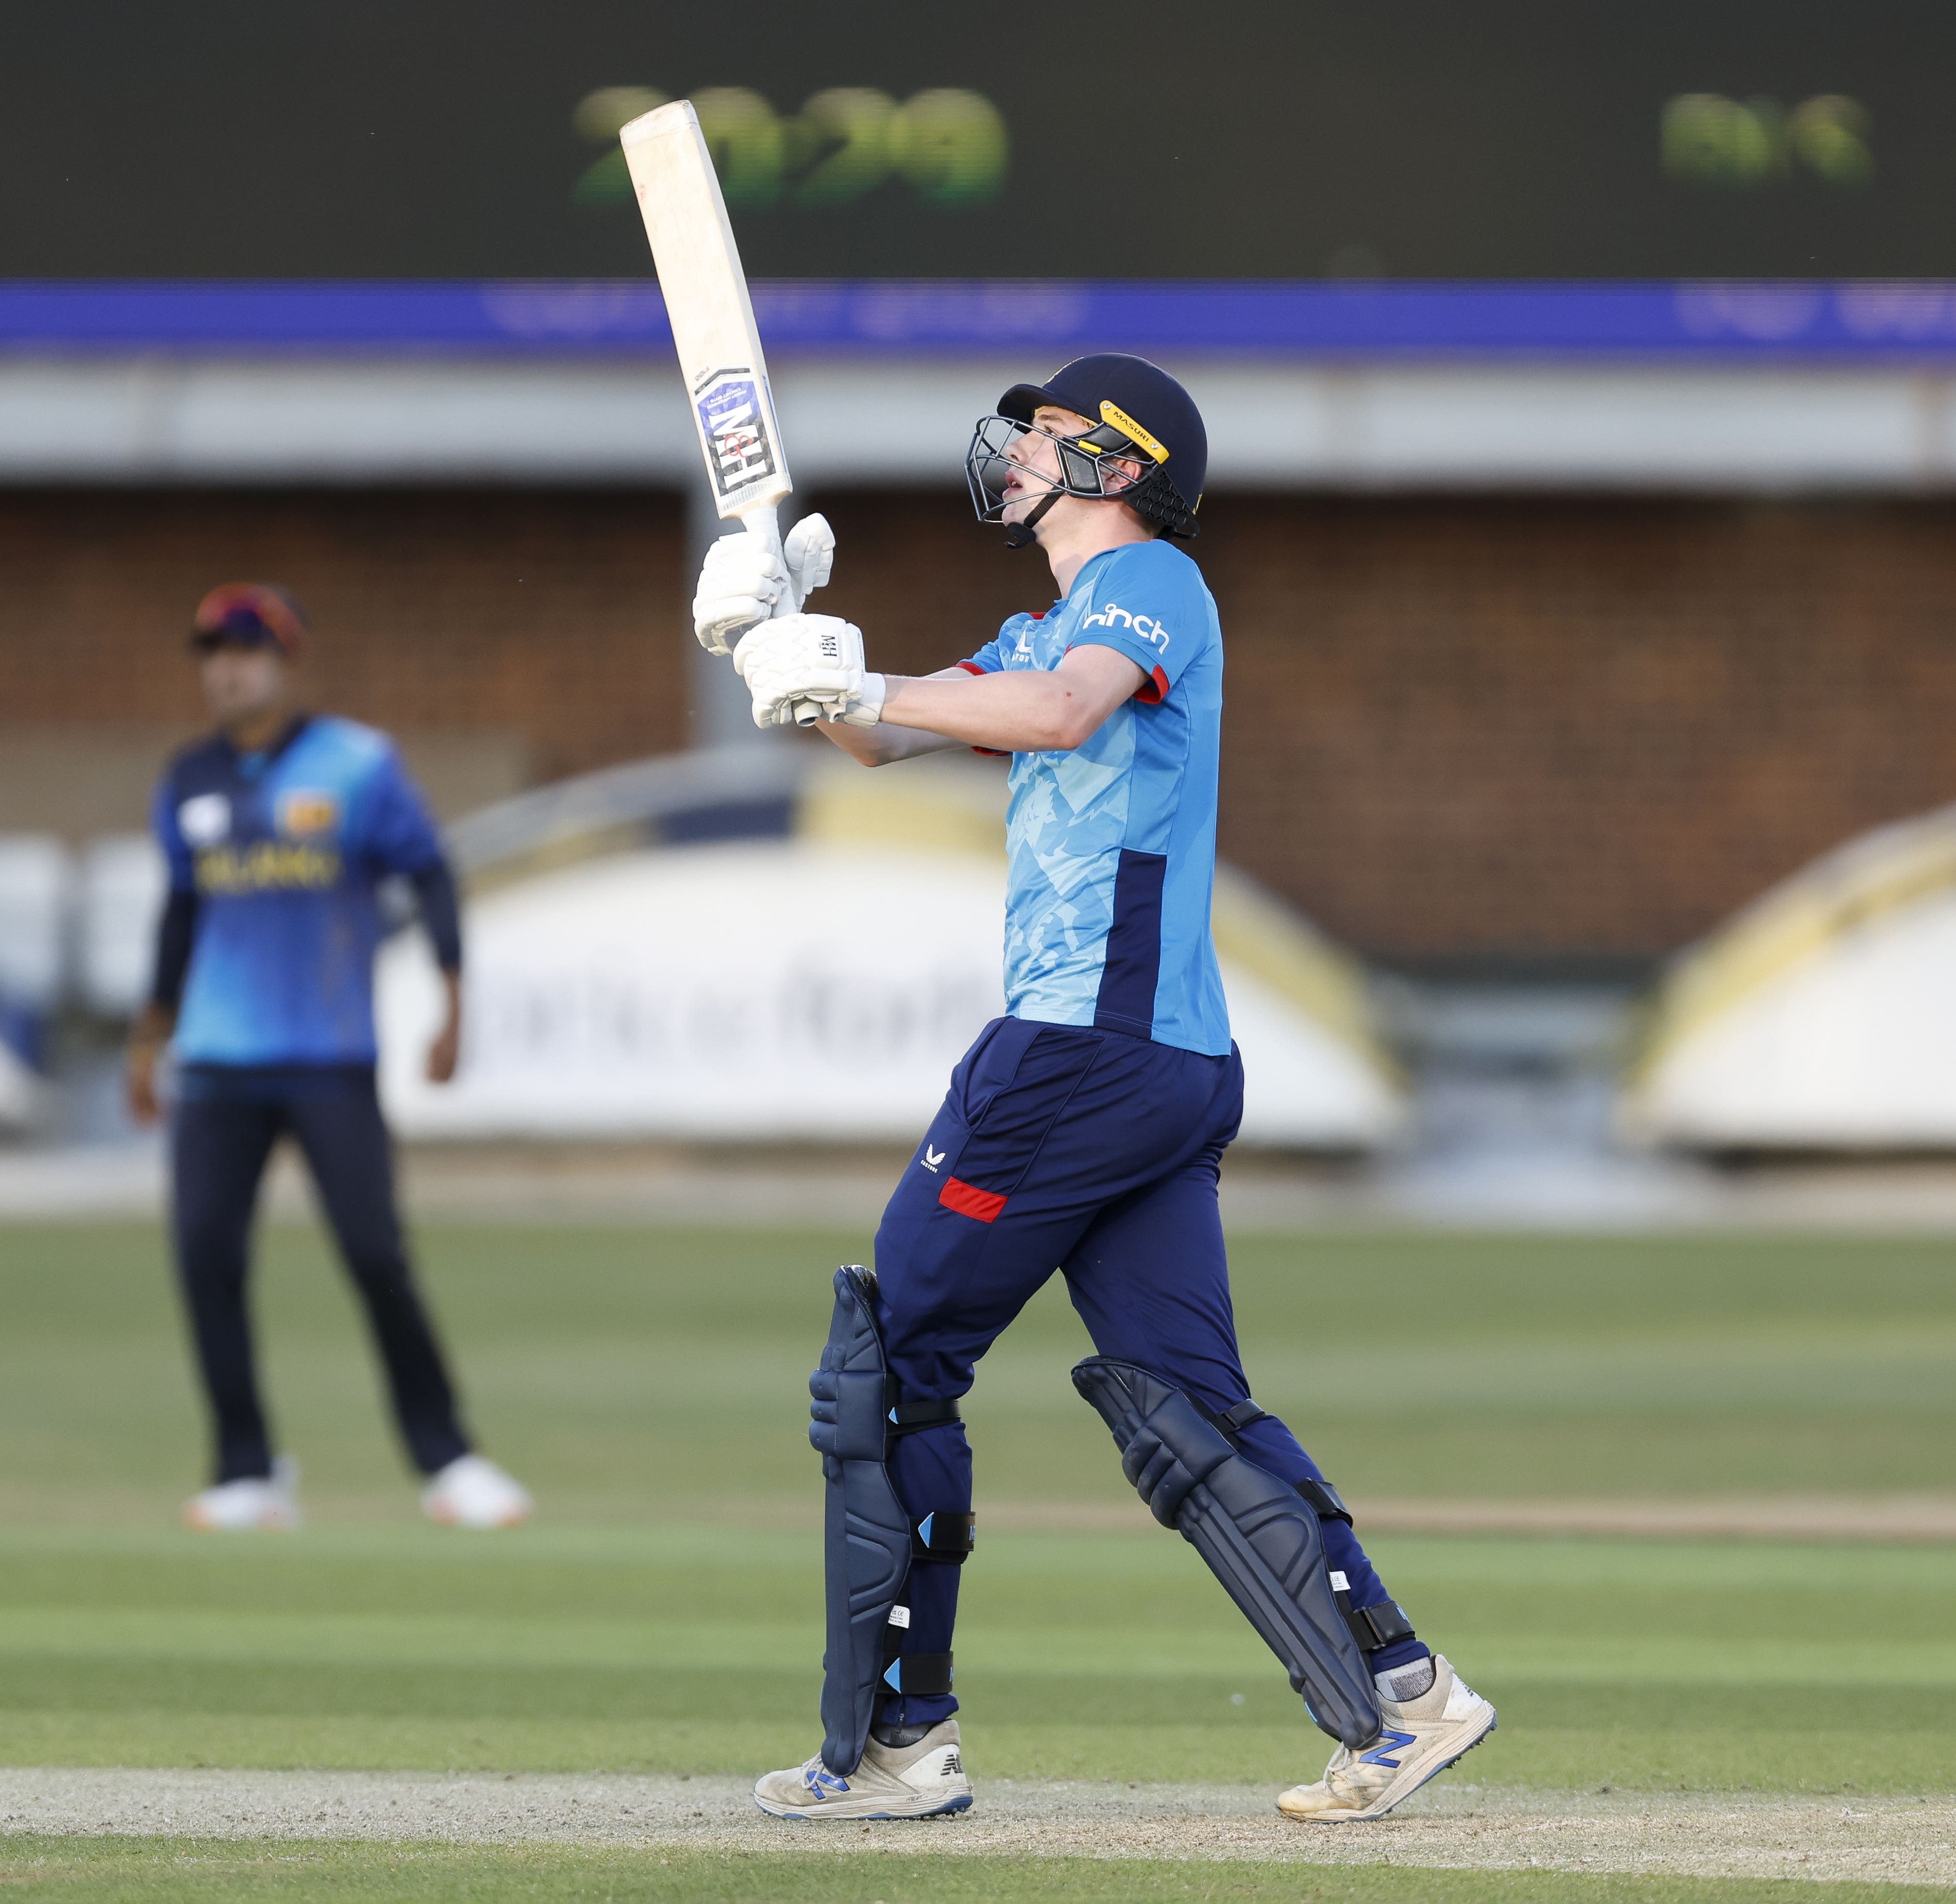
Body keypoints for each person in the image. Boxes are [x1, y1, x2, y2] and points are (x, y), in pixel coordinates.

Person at [702, 357, 1495, 1823]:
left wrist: (855, 672)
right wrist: (777, 636)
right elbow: (885, 731)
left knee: (886, 1373)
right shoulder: (1049, 619)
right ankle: (1403, 1692)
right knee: (1183, 1400)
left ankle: (895, 1746)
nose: (1013, 449)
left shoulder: (1152, 587)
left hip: (1078, 1051)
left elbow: (1062, 713)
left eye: (1047, 432)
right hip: (1158, 1066)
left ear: (1116, 469)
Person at [125, 582, 530, 1534]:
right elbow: (181, 913)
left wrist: (452, 996)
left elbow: (427, 872)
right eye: (213, 651)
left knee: (374, 1255)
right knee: (205, 1257)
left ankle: (451, 1459)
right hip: (220, 1059)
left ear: (285, 659)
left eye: (246, 648)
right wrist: (150, 1037)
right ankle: (245, 1468)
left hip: (327, 1053)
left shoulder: (354, 765)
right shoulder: (187, 779)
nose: (227, 668)